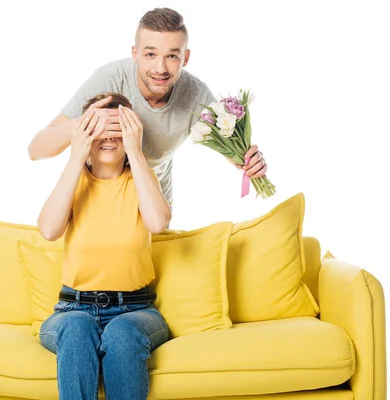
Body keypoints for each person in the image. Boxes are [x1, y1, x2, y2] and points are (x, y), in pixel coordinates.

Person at [28, 7, 268, 210]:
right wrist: (82, 123)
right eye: (150, 54)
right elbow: (36, 150)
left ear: (185, 58)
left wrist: (249, 162)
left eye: (172, 56)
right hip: (97, 198)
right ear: (135, 54)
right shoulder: (110, 79)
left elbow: (232, 150)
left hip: (152, 201)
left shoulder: (197, 96)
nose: (160, 68)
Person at [37, 92, 170, 400]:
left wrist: (136, 153)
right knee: (77, 326)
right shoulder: (74, 180)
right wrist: (74, 155)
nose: (108, 138)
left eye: (118, 131)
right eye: (99, 130)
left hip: (136, 309)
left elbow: (157, 223)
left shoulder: (142, 179)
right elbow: (48, 229)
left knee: (122, 333)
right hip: (72, 308)